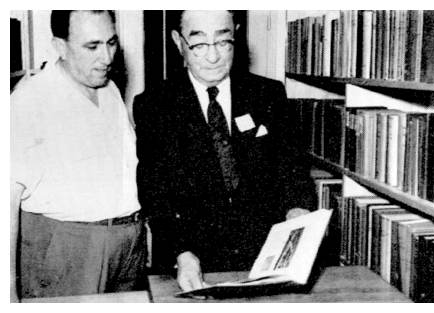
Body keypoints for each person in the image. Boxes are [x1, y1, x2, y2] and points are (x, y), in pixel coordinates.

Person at [133, 10, 315, 292]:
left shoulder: (269, 94)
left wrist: (298, 211)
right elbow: (155, 193)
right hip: (190, 264)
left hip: (265, 259)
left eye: (223, 41)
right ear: (178, 41)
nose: (213, 56)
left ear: (236, 35)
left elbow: (293, 170)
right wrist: (182, 253)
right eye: (199, 44)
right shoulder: (154, 105)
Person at [10, 10, 146, 302]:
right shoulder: (30, 99)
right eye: (92, 46)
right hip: (69, 252)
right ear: (60, 46)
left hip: (127, 247)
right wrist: (6, 288)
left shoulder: (108, 88)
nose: (107, 57)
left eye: (111, 43)